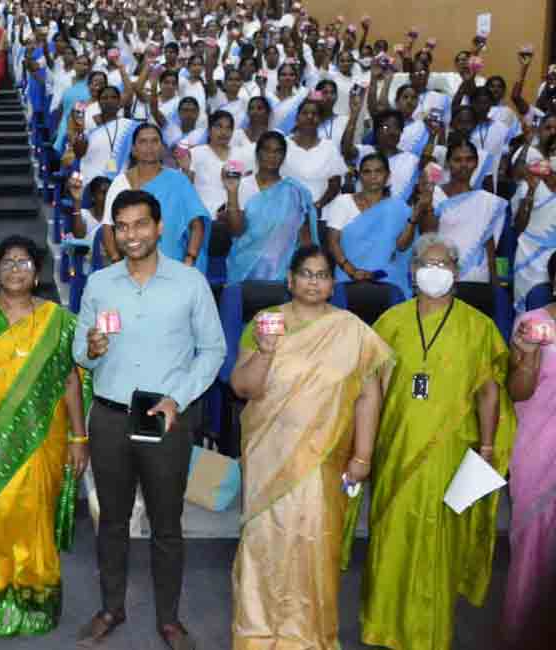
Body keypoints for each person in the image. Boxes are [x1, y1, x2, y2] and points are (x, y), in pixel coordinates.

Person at [72, 189, 226, 649]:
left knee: (166, 524)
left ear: (159, 228)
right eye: (122, 226)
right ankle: (110, 608)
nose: (131, 235)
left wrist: (179, 398)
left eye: (140, 224)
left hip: (164, 416)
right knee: (112, 521)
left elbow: (213, 350)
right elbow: (80, 350)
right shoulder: (100, 284)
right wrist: (91, 349)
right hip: (110, 417)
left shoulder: (189, 283)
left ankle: (169, 619)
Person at [229, 245, 392, 649]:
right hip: (269, 455)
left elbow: (369, 397)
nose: (313, 282)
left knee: (314, 545)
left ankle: (308, 637)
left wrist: (362, 456)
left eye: (322, 275)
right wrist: (265, 353)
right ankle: (257, 636)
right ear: (290, 279)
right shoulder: (266, 323)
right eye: (305, 273)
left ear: (333, 284)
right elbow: (243, 388)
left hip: (324, 460)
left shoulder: (352, 331)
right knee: (264, 546)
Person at [359, 233, 516, 650]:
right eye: (427, 264)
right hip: (397, 448)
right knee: (391, 534)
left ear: (457, 273)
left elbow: (488, 392)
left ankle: (431, 632)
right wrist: (365, 448)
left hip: (452, 451)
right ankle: (382, 625)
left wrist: (487, 448)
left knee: (439, 539)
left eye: (443, 264)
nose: (435, 271)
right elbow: (371, 389)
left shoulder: (478, 327)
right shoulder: (390, 322)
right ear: (412, 272)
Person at [0, 236, 89, 646]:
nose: (14, 268)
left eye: (23, 262)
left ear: (37, 273)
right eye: (7, 262)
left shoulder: (57, 320)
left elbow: (69, 379)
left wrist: (79, 436)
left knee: (32, 518)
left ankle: (31, 604)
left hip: (40, 438)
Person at [501, 255, 556, 648]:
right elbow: (517, 392)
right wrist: (529, 355)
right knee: (533, 541)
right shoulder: (532, 323)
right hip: (538, 444)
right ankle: (524, 635)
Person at [101, 124, 210, 272]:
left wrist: (189, 261)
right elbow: (108, 226)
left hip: (174, 268)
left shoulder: (178, 181)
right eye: (143, 142)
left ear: (162, 148)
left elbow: (196, 224)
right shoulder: (121, 182)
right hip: (132, 269)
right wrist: (117, 263)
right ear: (133, 150)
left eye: (154, 141)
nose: (149, 146)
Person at [223, 131, 320, 283]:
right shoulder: (241, 186)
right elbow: (236, 231)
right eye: (266, 150)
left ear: (283, 156)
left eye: (277, 151)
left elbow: (304, 238)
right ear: (257, 154)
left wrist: (307, 271)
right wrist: (232, 192)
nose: (271, 155)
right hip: (245, 267)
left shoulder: (295, 191)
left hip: (284, 270)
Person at [324, 152, 421, 297]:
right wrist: (352, 271)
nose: (373, 176)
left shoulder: (398, 208)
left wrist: (413, 218)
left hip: (387, 279)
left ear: (388, 175)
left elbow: (402, 247)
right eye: (367, 172)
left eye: (378, 171)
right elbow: (333, 242)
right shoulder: (343, 202)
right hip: (348, 278)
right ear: (359, 176)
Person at [424, 140, 507, 286]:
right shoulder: (435, 194)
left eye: (469, 160)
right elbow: (427, 234)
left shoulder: (486, 201)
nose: (463, 165)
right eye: (457, 160)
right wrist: (428, 203)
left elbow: (488, 244)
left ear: (476, 163)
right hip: (441, 274)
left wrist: (494, 285)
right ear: (448, 163)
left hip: (477, 277)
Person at [510, 157, 556, 310]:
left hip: (553, 262)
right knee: (527, 311)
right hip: (528, 258)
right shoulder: (531, 188)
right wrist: (531, 191)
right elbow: (519, 227)